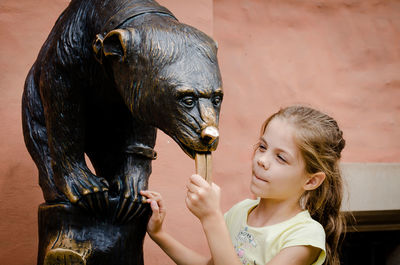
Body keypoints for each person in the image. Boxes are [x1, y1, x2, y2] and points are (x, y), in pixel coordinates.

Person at [140, 105, 346, 265]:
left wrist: (211, 217)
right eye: (262, 147)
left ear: (311, 180)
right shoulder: (240, 212)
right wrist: (159, 235)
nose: (262, 160)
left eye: (281, 158)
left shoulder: (305, 236)